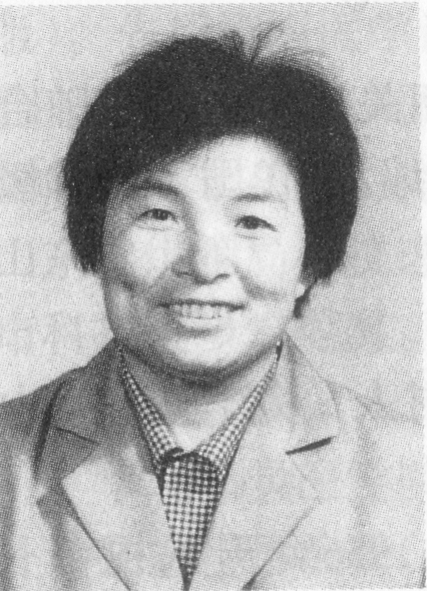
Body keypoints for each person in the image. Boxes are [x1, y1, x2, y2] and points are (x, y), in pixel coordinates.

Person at [0, 30, 423, 591]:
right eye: (159, 214)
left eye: (251, 221)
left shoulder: (412, 476)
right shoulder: (8, 456)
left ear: (310, 259)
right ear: (96, 236)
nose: (203, 264)